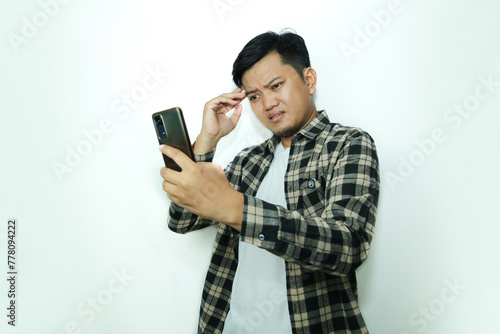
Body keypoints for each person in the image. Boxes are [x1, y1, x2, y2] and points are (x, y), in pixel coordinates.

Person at [159, 30, 380, 334]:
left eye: (276, 85)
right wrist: (206, 139)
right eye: (254, 96)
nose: (268, 103)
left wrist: (237, 210)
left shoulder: (348, 144)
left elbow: (347, 247)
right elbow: (181, 220)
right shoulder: (248, 161)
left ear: (309, 80)